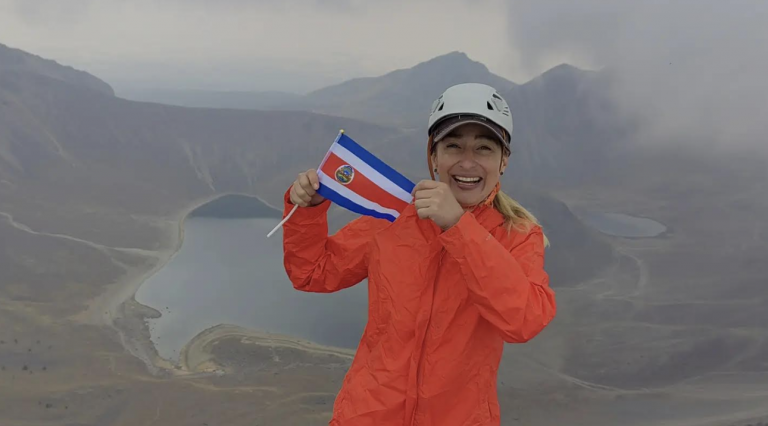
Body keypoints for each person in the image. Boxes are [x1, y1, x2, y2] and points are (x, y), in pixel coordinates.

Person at [281, 83, 557, 426]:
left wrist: (458, 228)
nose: (467, 161)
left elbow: (524, 320)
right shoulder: (396, 216)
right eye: (453, 146)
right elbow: (313, 273)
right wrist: (308, 210)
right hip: (368, 414)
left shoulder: (517, 234)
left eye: (484, 148)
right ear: (433, 156)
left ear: (503, 161)